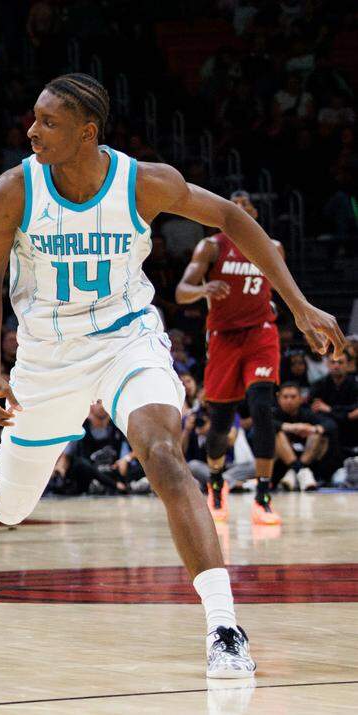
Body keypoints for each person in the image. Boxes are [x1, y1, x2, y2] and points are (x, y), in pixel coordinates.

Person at [0, 73, 346, 678]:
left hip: (129, 340)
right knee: (11, 511)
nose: (32, 130)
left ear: (87, 133)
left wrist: (299, 304)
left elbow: (231, 217)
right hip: (47, 357)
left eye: (48, 122)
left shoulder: (144, 183)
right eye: (34, 118)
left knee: (164, 454)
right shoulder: (14, 190)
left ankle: (224, 627)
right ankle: (11, 455)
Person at [176, 190, 284, 525]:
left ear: (254, 212)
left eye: (246, 206)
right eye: (233, 208)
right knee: (220, 422)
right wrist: (202, 290)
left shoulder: (272, 246)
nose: (241, 211)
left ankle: (263, 496)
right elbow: (182, 292)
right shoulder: (212, 246)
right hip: (224, 338)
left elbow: (285, 286)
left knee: (262, 407)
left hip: (262, 333)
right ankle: (217, 483)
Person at [273, 382, 329, 491]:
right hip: (279, 465)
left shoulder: (308, 414)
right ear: (278, 398)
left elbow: (330, 424)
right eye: (285, 397)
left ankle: (295, 471)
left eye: (293, 397)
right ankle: (302, 471)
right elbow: (262, 425)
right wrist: (290, 427)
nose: (289, 400)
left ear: (300, 398)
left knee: (317, 433)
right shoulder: (273, 414)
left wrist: (312, 429)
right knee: (276, 434)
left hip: (309, 461)